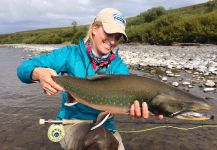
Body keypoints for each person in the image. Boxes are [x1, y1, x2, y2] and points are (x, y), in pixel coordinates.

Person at [17, 8, 163, 150]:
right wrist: (38, 73)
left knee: (104, 140)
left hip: (106, 128)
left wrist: (138, 109)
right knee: (100, 142)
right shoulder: (69, 54)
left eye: (117, 37)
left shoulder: (119, 68)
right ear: (94, 28)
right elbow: (23, 69)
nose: (112, 41)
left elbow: (125, 103)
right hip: (73, 124)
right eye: (109, 33)